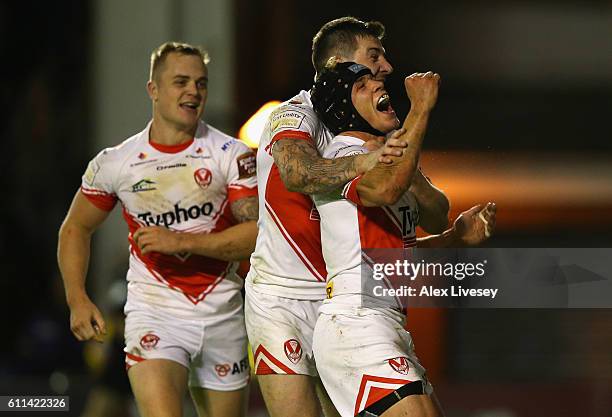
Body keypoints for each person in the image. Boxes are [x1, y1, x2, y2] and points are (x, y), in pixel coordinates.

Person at [245, 17, 450, 417]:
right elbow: (298, 173)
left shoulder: (376, 133)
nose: (386, 68)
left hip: (345, 296)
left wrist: (451, 235)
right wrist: (370, 159)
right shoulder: (295, 115)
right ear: (339, 64)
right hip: (285, 297)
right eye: (374, 57)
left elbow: (388, 234)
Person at [57, 42, 258, 417]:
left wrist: (179, 240)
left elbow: (256, 236)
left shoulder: (231, 154)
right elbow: (75, 229)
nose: (193, 91)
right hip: (155, 312)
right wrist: (77, 298)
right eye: (180, 81)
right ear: (153, 89)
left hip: (223, 313)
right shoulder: (116, 163)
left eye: (201, 83)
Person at [310, 61, 496, 417]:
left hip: (385, 322)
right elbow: (386, 187)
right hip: (355, 322)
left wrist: (452, 237)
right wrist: (421, 109)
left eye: (377, 81)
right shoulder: (343, 156)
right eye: (363, 85)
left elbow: (435, 212)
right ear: (343, 106)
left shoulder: (389, 158)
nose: (381, 87)